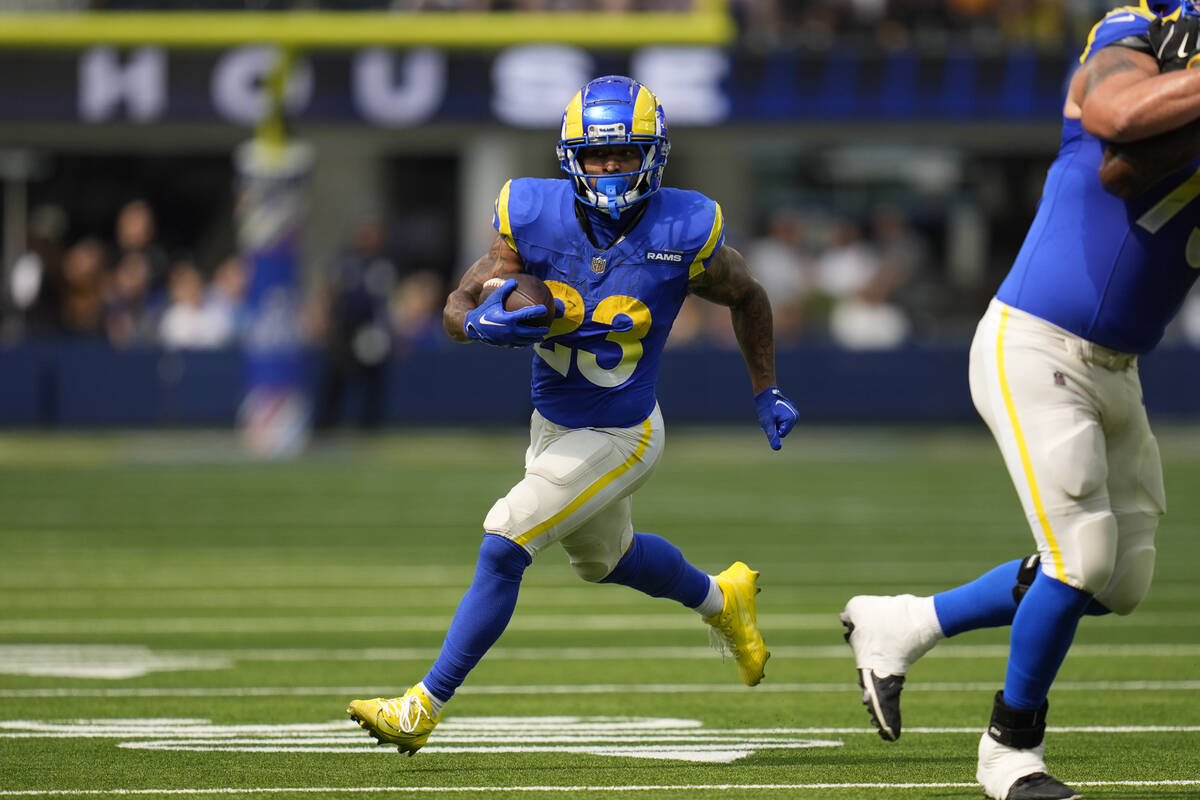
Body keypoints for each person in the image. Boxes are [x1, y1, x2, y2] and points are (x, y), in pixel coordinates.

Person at [347, 75, 800, 755]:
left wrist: (765, 389)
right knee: (606, 559)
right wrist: (478, 324)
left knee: (505, 541)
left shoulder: (685, 227)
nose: (610, 168)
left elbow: (750, 296)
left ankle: (422, 705)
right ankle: (722, 599)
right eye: (597, 155)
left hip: (622, 430)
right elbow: (455, 304)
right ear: (572, 158)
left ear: (653, 154)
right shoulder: (529, 214)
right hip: (554, 424)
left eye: (624, 154)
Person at [840, 4, 1200, 799]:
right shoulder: (1122, 47)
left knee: (1121, 582)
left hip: (1118, 367)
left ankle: (904, 623)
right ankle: (1010, 753)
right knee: (1085, 557)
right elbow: (1116, 122)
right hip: (1034, 343)